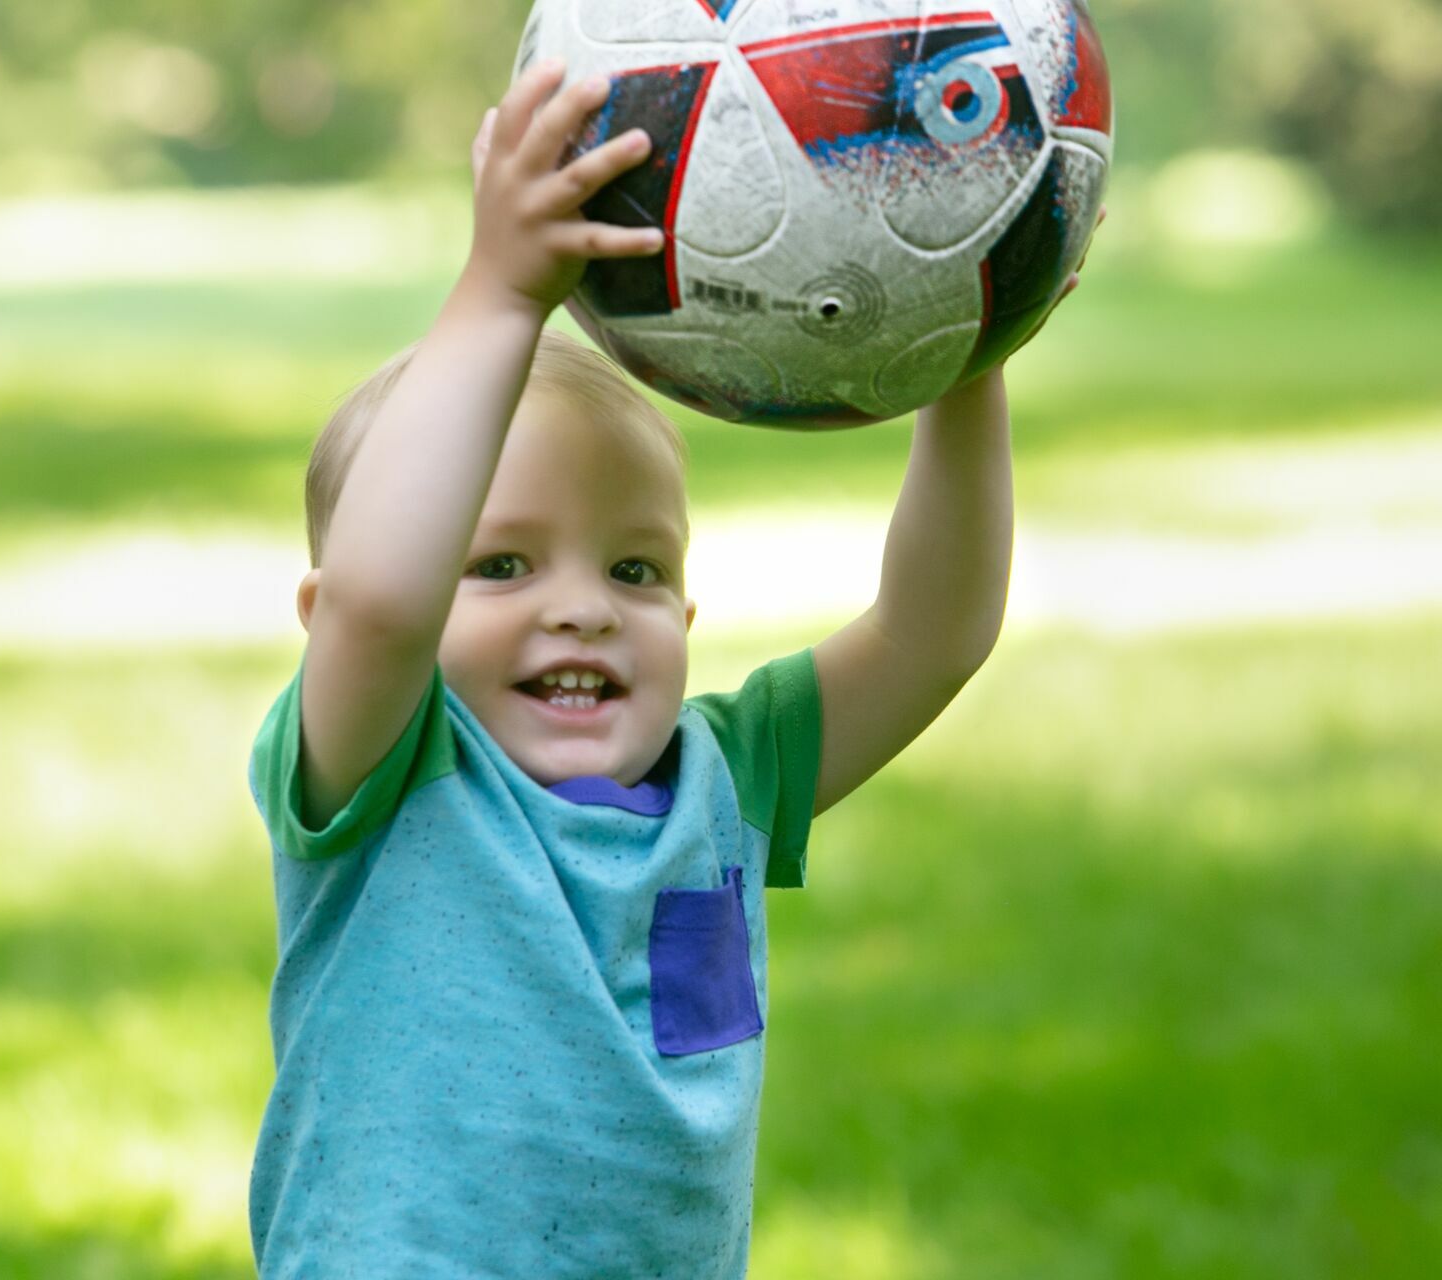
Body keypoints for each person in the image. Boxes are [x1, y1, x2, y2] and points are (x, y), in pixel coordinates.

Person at [246, 57, 1088, 1277]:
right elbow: (381, 602)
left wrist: (967, 343)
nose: (582, 610)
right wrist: (497, 296)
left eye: (634, 572)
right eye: (498, 567)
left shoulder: (726, 777)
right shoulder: (387, 764)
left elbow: (935, 628)